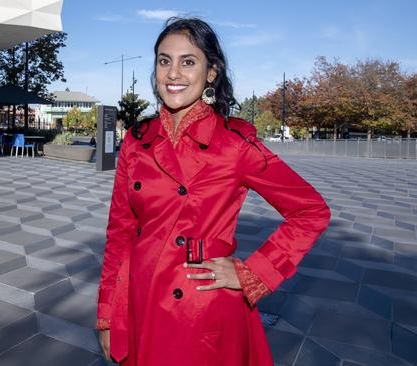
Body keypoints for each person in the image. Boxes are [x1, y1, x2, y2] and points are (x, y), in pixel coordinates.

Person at [96, 18, 331, 366]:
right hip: (139, 301)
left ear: (211, 72)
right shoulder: (137, 139)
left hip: (200, 307)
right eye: (164, 60)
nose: (173, 73)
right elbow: (119, 232)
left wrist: (252, 272)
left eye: (188, 61)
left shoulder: (234, 143)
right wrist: (106, 314)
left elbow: (311, 211)